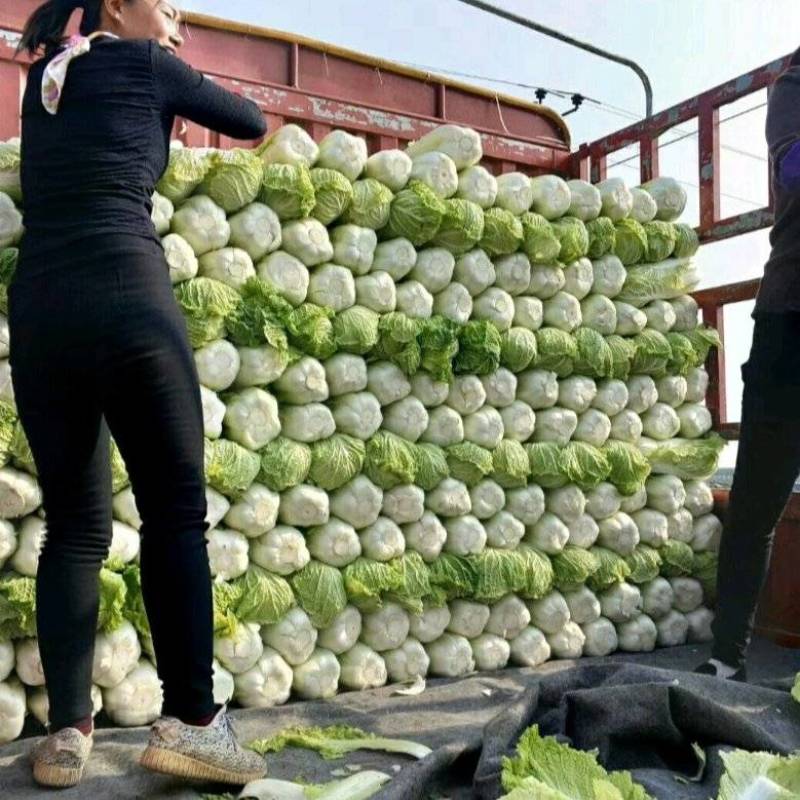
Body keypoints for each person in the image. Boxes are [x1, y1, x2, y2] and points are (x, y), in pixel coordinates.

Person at [11, 0, 269, 788]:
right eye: (167, 9)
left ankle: (65, 734)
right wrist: (168, 92)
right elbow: (249, 118)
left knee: (74, 527)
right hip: (128, 298)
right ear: (118, 5)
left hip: (43, 311)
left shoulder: (44, 80)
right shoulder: (147, 64)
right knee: (173, 514)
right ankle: (193, 723)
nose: (176, 28)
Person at [696, 49, 800, 682]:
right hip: (792, 318)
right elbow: (793, 166)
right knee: (757, 503)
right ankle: (726, 657)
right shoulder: (795, 83)